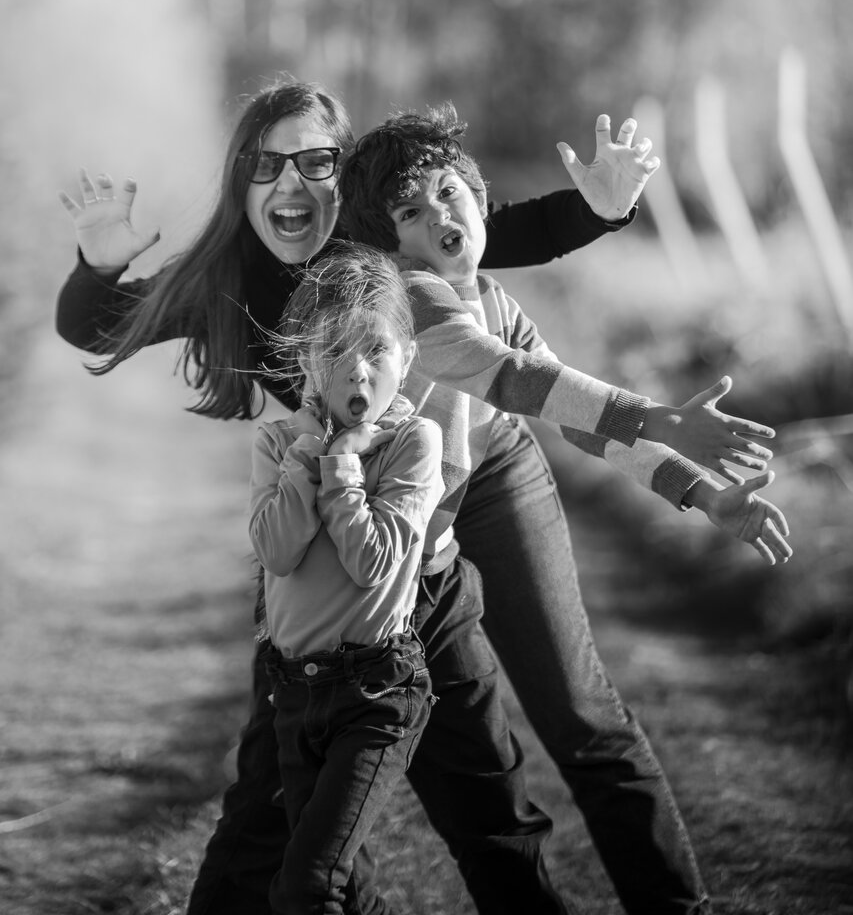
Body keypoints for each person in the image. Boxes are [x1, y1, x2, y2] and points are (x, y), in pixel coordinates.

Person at [56, 76, 646, 915]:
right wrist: (99, 261)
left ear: (346, 175)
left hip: (472, 476)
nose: (290, 181)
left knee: (535, 736)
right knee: (290, 756)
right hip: (334, 513)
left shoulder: (382, 243)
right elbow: (97, 322)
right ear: (241, 181)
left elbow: (504, 229)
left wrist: (601, 209)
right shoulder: (226, 276)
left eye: (315, 161)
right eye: (265, 164)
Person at [336, 103, 794, 915]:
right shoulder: (404, 298)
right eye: (410, 211)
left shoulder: (491, 295)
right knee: (469, 761)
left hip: (495, 479)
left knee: (585, 717)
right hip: (408, 539)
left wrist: (697, 491)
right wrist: (657, 415)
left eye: (449, 193)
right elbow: (514, 379)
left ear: (479, 199)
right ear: (390, 241)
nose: (439, 216)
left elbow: (573, 417)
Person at [249, 243, 444, 914]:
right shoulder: (277, 444)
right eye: (334, 351)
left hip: (375, 693)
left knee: (307, 888)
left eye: (377, 350)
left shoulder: (413, 442)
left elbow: (371, 562)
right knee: (346, 890)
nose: (358, 370)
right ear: (307, 360)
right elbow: (277, 552)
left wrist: (345, 467)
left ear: (406, 359)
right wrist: (312, 453)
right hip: (294, 695)